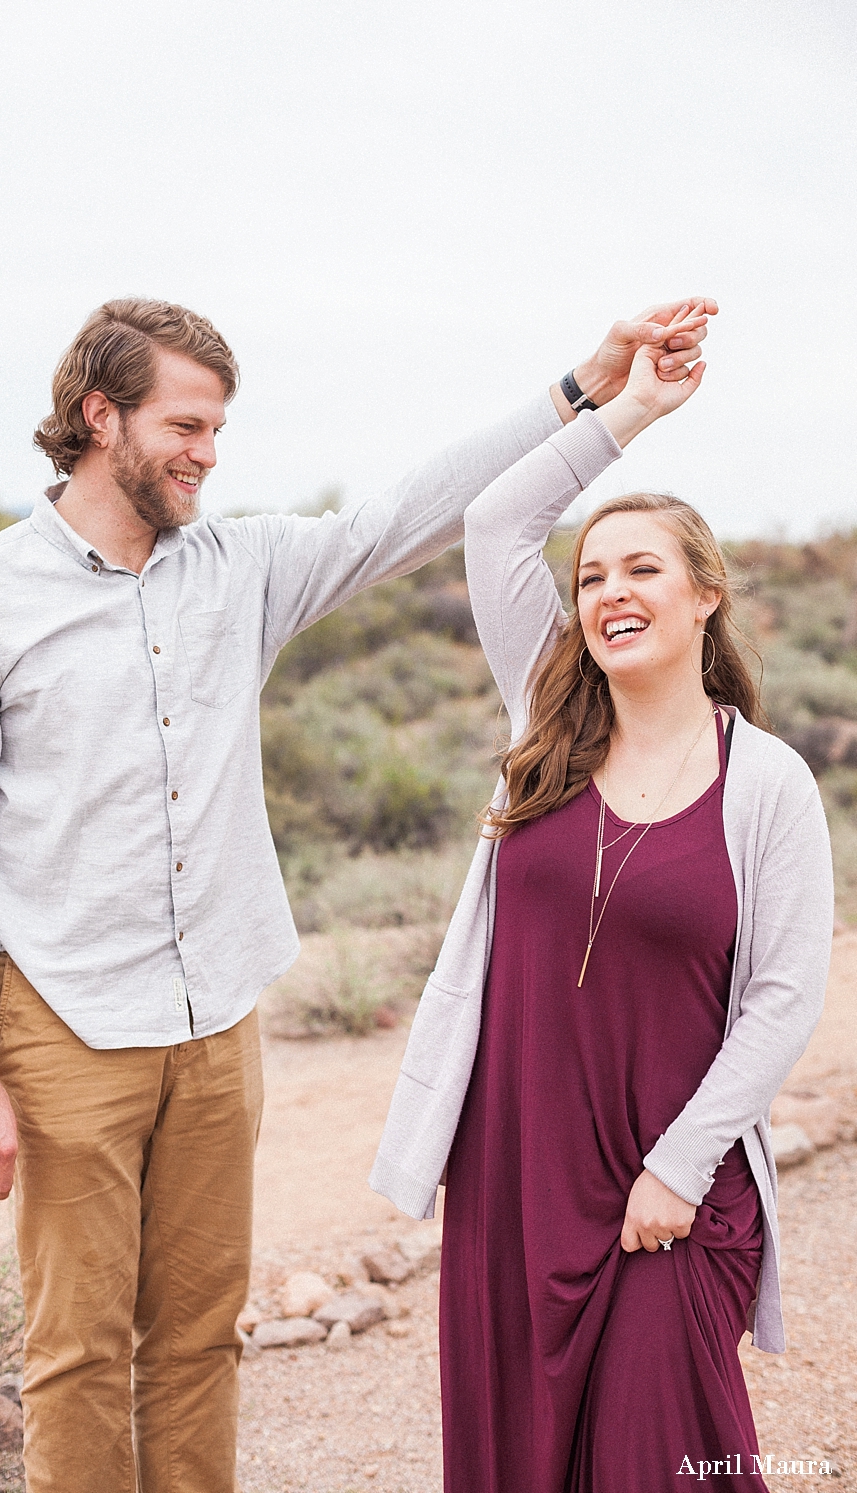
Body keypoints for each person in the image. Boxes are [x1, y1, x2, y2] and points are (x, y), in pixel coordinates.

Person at [0, 294, 713, 1493]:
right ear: (94, 415)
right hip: (59, 1021)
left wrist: (583, 387)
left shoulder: (239, 568)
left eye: (216, 430)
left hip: (218, 1015)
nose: (206, 455)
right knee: (73, 1354)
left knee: (197, 1338)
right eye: (183, 426)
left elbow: (408, 512)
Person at [370, 312, 835, 1492]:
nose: (609, 592)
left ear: (704, 597)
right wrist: (624, 408)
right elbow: (492, 522)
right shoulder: (549, 724)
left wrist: (679, 1164)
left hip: (664, 1184)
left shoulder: (764, 780)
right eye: (589, 575)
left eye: (641, 568)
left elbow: (782, 997)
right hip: (512, 1172)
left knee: (662, 1462)